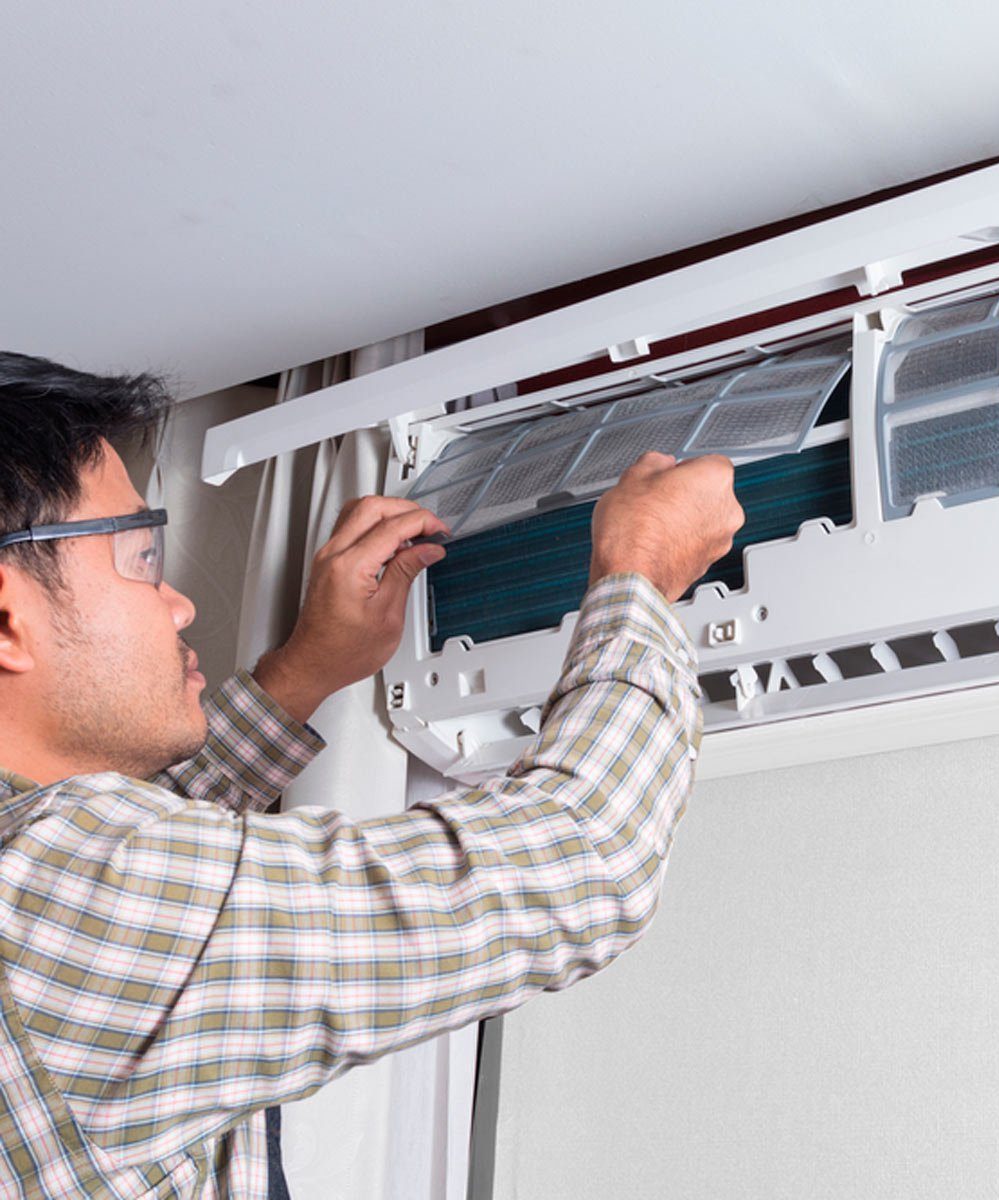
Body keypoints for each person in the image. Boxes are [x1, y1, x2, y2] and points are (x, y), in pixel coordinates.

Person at [0, 351, 744, 1198]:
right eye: (139, 557)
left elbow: (141, 882)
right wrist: (640, 578)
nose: (179, 605)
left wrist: (307, 670)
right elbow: (582, 860)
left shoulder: (50, 894)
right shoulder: (55, 891)